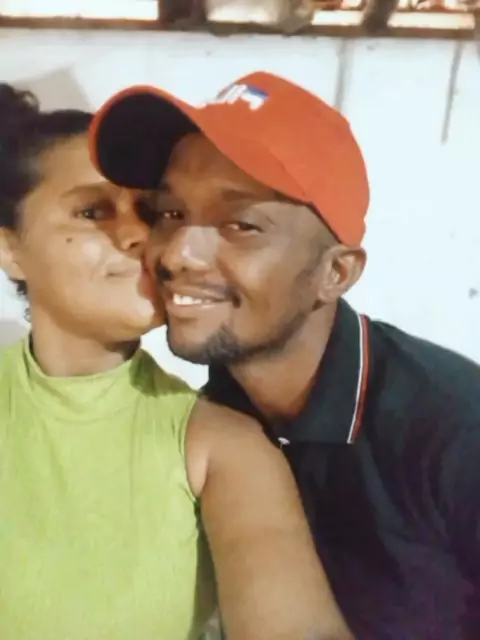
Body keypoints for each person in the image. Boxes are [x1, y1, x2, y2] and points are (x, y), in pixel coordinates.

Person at [91, 71, 480, 639]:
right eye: (170, 213)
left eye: (241, 224)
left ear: (335, 272)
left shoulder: (455, 431)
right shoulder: (198, 424)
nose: (177, 254)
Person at [0, 84, 352, 640]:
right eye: (92, 211)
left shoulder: (221, 445)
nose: (139, 235)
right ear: (9, 250)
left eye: (150, 212)